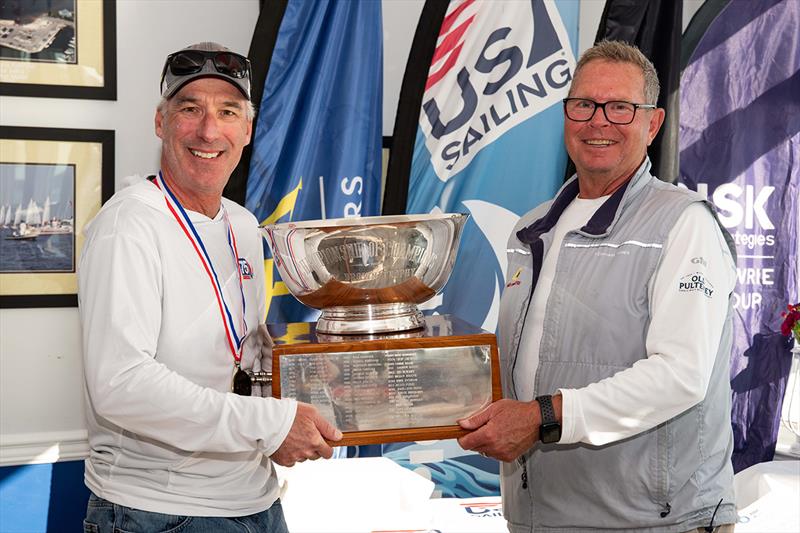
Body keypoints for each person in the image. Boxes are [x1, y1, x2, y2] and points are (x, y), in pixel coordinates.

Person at [457, 40, 737, 533]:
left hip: (652, 521)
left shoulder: (683, 223)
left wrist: (544, 417)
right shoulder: (532, 227)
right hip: (540, 514)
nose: (598, 121)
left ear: (653, 124)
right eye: (584, 104)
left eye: (620, 107)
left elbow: (680, 376)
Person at [78, 42, 341, 532]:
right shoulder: (129, 224)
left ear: (247, 129)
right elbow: (120, 383)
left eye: (227, 111)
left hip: (255, 499)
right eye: (189, 109)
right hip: (157, 510)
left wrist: (322, 377)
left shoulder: (242, 224)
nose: (208, 130)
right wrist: (272, 425)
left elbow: (242, 351)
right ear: (161, 123)